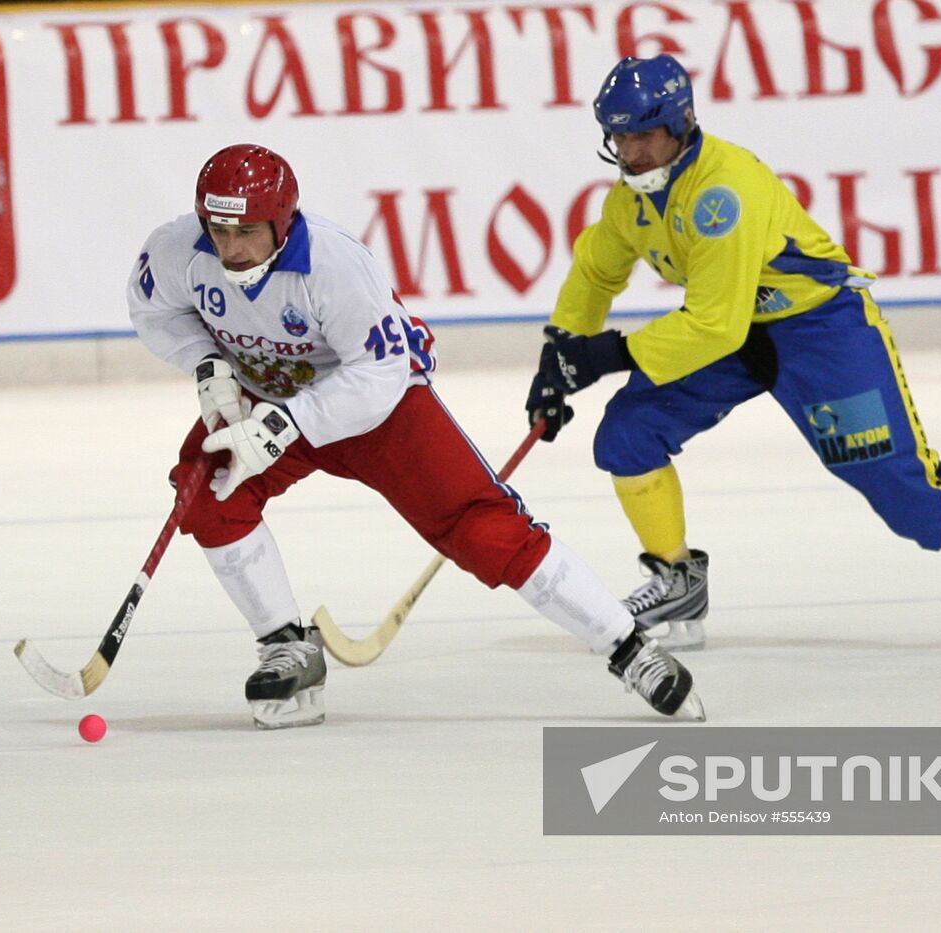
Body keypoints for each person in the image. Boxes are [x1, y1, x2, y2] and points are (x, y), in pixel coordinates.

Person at [127, 144, 705, 728]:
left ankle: (630, 649)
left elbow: (378, 371)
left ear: (282, 220)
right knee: (207, 491)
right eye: (218, 229)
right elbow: (155, 310)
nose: (230, 249)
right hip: (267, 391)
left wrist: (290, 423)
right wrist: (208, 364)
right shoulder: (178, 249)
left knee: (482, 529)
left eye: (246, 231)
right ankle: (286, 646)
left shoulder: (335, 264)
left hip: (379, 408)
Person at [524, 55, 941, 651]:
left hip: (818, 329)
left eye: (643, 134)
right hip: (737, 330)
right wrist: (559, 354)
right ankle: (677, 575)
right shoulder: (631, 199)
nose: (631, 152)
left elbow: (712, 326)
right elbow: (597, 273)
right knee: (628, 434)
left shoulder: (723, 191)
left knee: (907, 500)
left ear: (681, 123)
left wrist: (604, 355)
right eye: (619, 136)